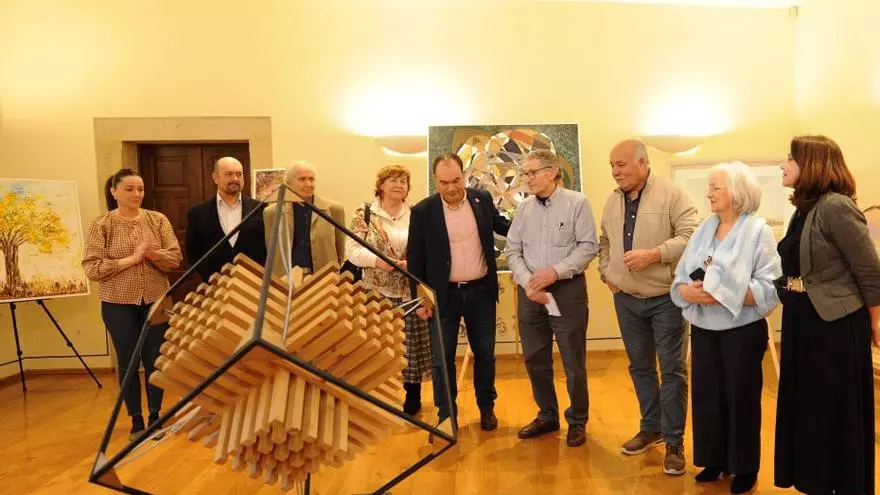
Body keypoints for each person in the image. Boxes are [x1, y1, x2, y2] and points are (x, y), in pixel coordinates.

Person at [774, 135, 880, 495]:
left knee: (829, 412)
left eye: (790, 158)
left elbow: (869, 270)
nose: (783, 165)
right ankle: (815, 481)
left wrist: (875, 323)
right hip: (803, 319)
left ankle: (838, 483)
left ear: (813, 163)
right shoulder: (804, 208)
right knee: (809, 410)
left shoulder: (836, 206)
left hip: (834, 326)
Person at [670, 162, 781, 493]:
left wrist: (725, 294)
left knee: (741, 397)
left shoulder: (758, 231)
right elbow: (681, 276)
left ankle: (744, 467)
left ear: (737, 192)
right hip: (704, 328)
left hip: (741, 330)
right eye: (710, 187)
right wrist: (687, 292)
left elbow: (770, 287)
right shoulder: (705, 228)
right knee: (707, 396)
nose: (709, 193)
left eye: (716, 187)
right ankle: (713, 460)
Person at [598, 138, 698, 475]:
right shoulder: (612, 200)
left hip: (666, 299)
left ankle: (673, 442)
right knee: (640, 367)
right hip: (626, 299)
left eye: (621, 164)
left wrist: (655, 255)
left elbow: (691, 236)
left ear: (642, 163)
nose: (615, 172)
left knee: (672, 371)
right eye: (612, 165)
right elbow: (604, 241)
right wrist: (606, 273)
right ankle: (651, 428)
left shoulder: (673, 194)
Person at [407, 152, 510, 431]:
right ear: (435, 180)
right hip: (443, 297)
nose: (451, 188)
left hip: (481, 293)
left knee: (485, 355)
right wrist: (421, 300)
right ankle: (446, 415)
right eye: (444, 182)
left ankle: (486, 408)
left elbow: (503, 226)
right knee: (443, 359)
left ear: (464, 175)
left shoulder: (481, 200)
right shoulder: (423, 211)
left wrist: (531, 226)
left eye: (456, 180)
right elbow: (415, 259)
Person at [505, 150, 598, 447]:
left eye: (532, 173)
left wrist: (554, 273)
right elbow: (512, 250)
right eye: (525, 173)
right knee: (535, 359)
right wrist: (528, 282)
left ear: (552, 172)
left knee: (573, 361)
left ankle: (577, 420)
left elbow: (588, 247)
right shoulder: (524, 209)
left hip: (567, 291)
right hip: (530, 292)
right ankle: (547, 415)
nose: (527, 179)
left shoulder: (577, 203)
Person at [82, 168, 182, 441]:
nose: (137, 194)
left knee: (156, 360)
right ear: (114, 191)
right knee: (128, 361)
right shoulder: (101, 224)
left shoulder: (157, 220)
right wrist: (131, 259)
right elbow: (92, 268)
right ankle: (136, 419)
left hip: (157, 301)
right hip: (118, 303)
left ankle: (155, 416)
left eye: (140, 189)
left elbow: (175, 259)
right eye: (129, 189)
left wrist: (152, 254)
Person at [345, 165, 432, 416]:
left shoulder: (417, 214)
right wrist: (378, 262)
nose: (399, 185)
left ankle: (412, 396)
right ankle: (379, 396)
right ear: (380, 185)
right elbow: (352, 250)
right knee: (378, 346)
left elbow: (428, 249)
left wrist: (413, 264)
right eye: (393, 180)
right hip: (375, 292)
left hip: (410, 292)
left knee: (410, 347)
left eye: (403, 181)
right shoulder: (365, 214)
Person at [185, 157, 266, 281]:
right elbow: (193, 254)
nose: (235, 179)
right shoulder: (197, 214)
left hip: (253, 284)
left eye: (239, 174)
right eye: (229, 174)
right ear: (215, 178)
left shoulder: (261, 209)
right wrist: (212, 277)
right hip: (215, 285)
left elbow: (268, 248)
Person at [263, 161, 345, 277]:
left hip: (324, 278)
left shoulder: (334, 210)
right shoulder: (272, 213)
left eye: (311, 179)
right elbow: (270, 250)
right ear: (289, 183)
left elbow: (340, 250)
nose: (308, 184)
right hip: (287, 280)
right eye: (302, 179)